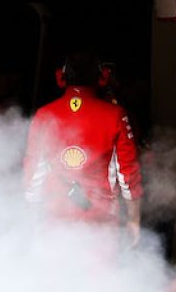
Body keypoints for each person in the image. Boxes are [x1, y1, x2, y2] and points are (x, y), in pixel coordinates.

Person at [23, 52, 144, 245]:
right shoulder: (115, 115)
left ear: (61, 77)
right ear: (103, 77)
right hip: (99, 224)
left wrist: (32, 220)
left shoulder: (44, 115)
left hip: (55, 220)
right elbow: (128, 175)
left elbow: (33, 174)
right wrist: (133, 220)